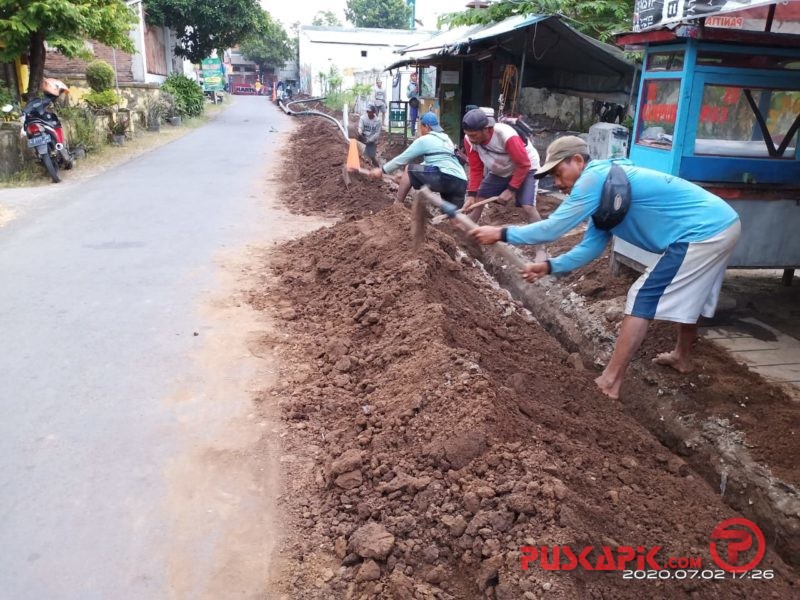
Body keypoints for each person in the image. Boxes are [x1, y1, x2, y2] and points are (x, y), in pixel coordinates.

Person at [469, 136, 742, 400]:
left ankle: (610, 381)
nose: (557, 183)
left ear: (577, 160)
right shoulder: (605, 187)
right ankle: (682, 357)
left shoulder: (593, 178)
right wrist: (549, 266)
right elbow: (591, 247)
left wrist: (502, 233)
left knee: (642, 296)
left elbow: (553, 228)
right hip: (719, 224)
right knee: (692, 292)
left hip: (703, 231)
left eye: (558, 172)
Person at [461, 107, 546, 261]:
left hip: (526, 167)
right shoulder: (469, 140)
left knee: (528, 207)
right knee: (479, 199)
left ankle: (540, 249)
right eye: (468, 135)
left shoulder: (506, 136)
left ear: (487, 129)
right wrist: (471, 195)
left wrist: (511, 190)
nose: (471, 139)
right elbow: (475, 167)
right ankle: (466, 236)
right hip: (501, 170)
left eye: (474, 135)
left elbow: (523, 164)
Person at [369, 111, 466, 207]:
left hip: (445, 177)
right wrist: (404, 177)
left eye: (421, 127)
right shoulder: (447, 140)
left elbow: (402, 159)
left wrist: (382, 170)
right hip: (461, 180)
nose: (421, 131)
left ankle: (397, 205)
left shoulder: (424, 140)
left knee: (409, 169)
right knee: (455, 221)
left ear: (427, 127)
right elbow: (433, 163)